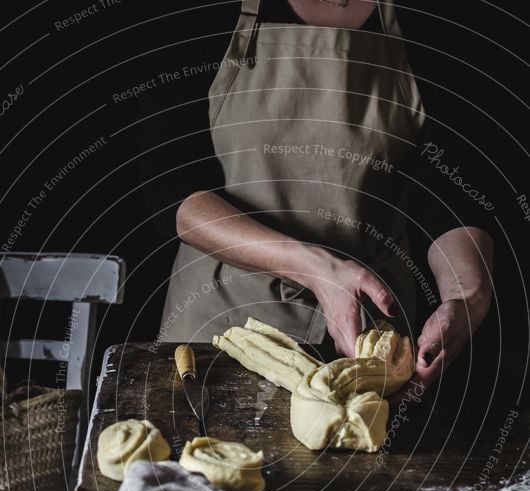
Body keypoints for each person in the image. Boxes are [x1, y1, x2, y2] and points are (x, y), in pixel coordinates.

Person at [139, 0, 493, 389]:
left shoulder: (432, 17)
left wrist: (465, 299)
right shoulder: (203, 10)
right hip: (226, 330)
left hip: (370, 341)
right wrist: (316, 270)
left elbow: (452, 195)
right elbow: (172, 193)